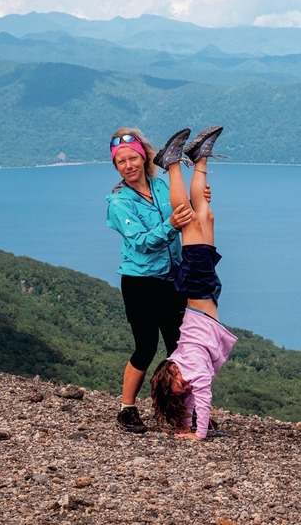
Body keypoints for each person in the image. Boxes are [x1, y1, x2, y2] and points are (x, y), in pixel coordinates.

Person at [148, 126, 238, 441]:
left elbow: (202, 396)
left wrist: (198, 434)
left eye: (179, 384)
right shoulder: (181, 368)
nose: (187, 386)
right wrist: (183, 424)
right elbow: (188, 399)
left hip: (198, 287)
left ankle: (171, 162)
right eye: (182, 390)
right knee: (206, 217)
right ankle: (199, 159)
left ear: (170, 371)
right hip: (204, 288)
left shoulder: (191, 366)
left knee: (186, 215)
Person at [106, 128, 191, 433]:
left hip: (172, 279)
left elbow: (184, 209)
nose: (128, 165)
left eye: (132, 159)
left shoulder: (160, 186)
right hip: (140, 282)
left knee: (179, 348)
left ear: (143, 158)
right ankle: (127, 409)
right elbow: (140, 242)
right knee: (145, 347)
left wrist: (198, 197)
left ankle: (181, 411)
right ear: (116, 167)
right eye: (121, 162)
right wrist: (171, 225)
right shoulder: (118, 202)